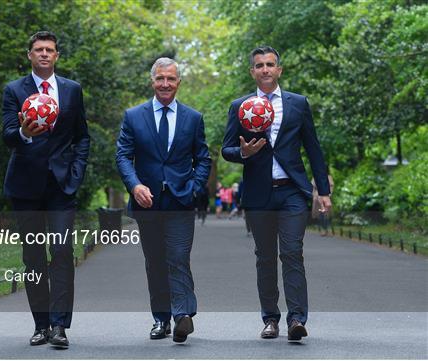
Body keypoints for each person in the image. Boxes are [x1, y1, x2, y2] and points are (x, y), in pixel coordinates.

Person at [222, 46, 331, 342]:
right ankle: (270, 318)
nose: (265, 69)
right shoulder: (240, 106)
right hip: (259, 195)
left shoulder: (298, 104)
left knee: (292, 253)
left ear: (279, 70)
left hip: (292, 192)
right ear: (252, 72)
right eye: (259, 65)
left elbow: (313, 148)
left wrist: (323, 190)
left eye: (271, 64)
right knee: (265, 258)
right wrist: (243, 152)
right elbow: (226, 149)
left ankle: (297, 318)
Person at [2, 31, 90, 348]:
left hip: (61, 188)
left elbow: (82, 136)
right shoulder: (14, 91)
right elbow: (8, 135)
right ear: (29, 55)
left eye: (49, 49)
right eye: (38, 49)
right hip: (25, 187)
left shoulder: (72, 91)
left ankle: (59, 326)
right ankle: (41, 324)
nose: (43, 54)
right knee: (34, 257)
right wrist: (24, 133)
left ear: (56, 56)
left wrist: (76, 172)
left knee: (63, 252)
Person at [116, 57, 211, 343]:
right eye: (160, 79)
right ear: (152, 81)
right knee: (155, 262)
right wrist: (135, 186)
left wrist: (194, 186)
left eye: (170, 79)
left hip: (181, 202)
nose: (165, 84)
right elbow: (123, 156)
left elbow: (203, 158)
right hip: (148, 204)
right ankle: (161, 319)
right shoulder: (133, 116)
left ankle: (183, 315)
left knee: (178, 257)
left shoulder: (193, 118)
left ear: (179, 82)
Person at [312, 169, 334, 236]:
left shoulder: (328, 177)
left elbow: (331, 186)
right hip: (317, 198)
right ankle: (322, 230)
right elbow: (313, 187)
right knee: (319, 214)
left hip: (326, 196)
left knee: (327, 215)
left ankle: (328, 230)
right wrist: (314, 196)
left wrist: (329, 194)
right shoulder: (315, 177)